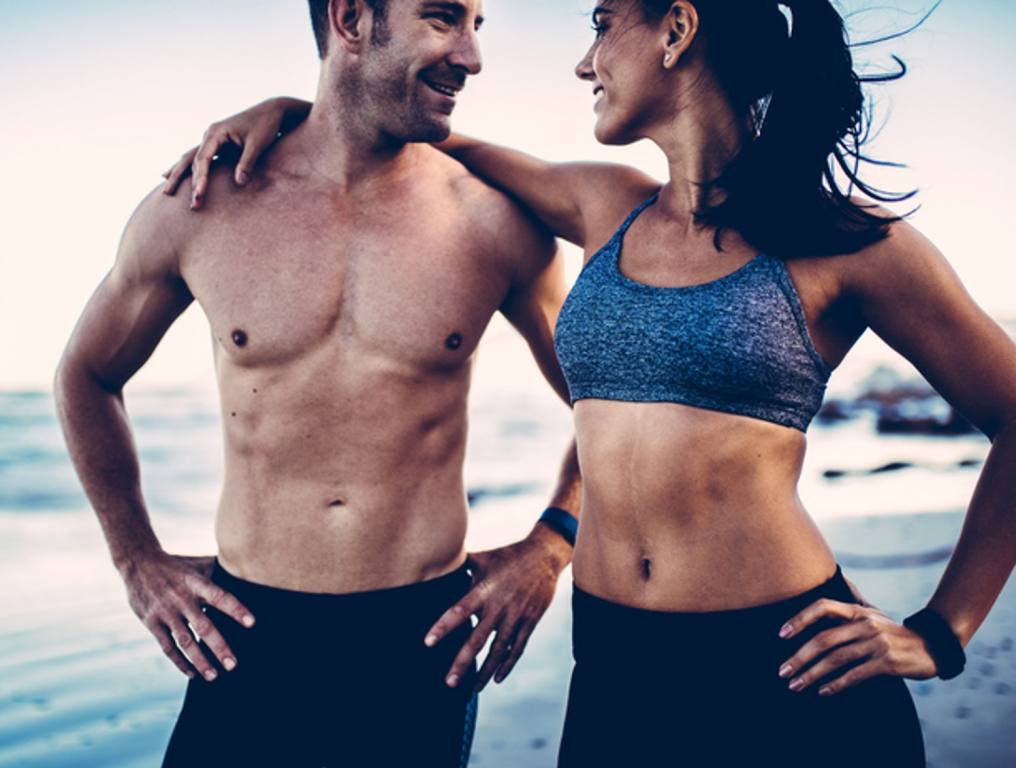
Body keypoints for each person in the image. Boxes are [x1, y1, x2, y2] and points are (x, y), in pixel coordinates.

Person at [167, 0, 1016, 765]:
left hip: (786, 661)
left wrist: (943, 631)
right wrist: (283, 113)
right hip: (612, 671)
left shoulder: (847, 244)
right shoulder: (603, 205)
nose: (586, 62)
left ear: (677, 30)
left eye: (603, 25)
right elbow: (406, 128)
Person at [55, 1, 583, 766]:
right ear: (349, 19)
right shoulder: (203, 204)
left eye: (478, 24)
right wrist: (136, 560)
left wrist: (552, 543)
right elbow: (86, 372)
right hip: (244, 635)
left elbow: (613, 400)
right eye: (443, 19)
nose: (470, 56)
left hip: (421, 640)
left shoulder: (494, 222)